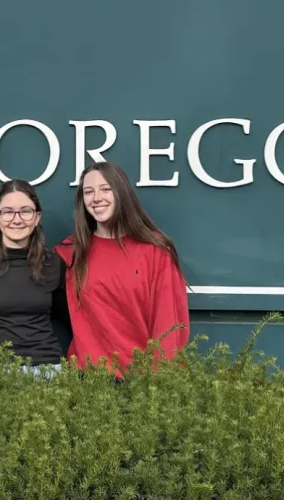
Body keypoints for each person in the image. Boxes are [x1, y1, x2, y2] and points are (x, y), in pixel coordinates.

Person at [54, 160, 190, 375]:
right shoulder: (70, 252)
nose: (96, 198)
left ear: (122, 193)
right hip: (89, 378)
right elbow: (25, 263)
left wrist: (159, 380)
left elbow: (169, 324)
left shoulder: (155, 251)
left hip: (141, 379)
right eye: (88, 192)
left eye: (106, 189)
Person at [0, 179, 70, 372]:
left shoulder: (53, 263)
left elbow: (68, 316)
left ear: (36, 217)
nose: (17, 220)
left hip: (49, 369)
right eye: (8, 212)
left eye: (25, 211)